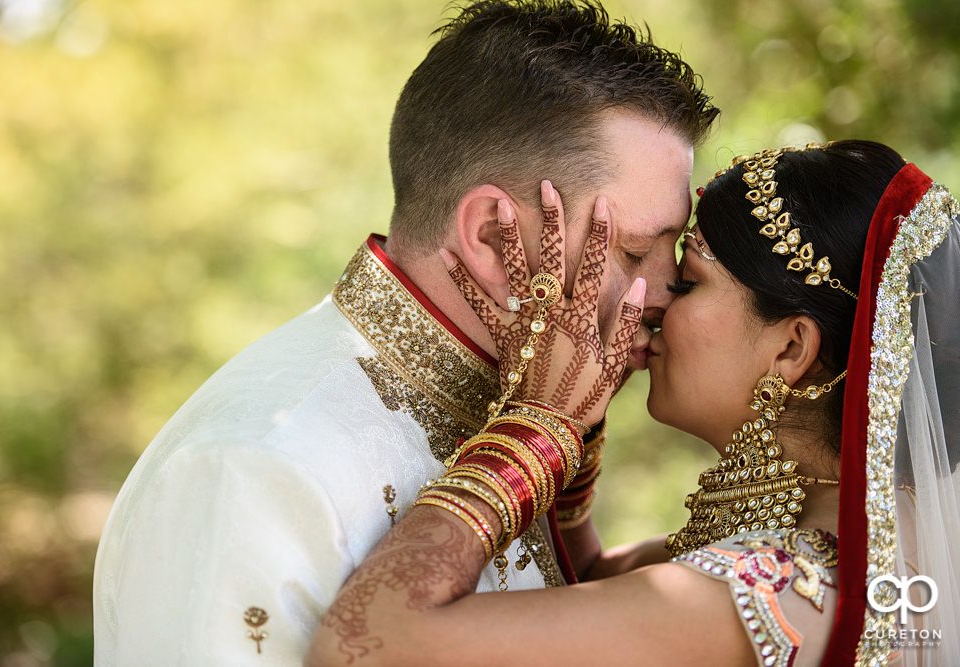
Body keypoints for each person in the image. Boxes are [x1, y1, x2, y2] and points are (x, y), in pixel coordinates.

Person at [92, 1, 719, 663]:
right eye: (631, 251)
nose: (669, 287)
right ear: (487, 235)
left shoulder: (516, 407)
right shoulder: (252, 465)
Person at [305, 140, 960, 667]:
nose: (648, 302)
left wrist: (536, 428)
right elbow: (585, 575)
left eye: (686, 280)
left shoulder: (754, 593)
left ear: (791, 348)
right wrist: (577, 417)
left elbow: (366, 642)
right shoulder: (854, 563)